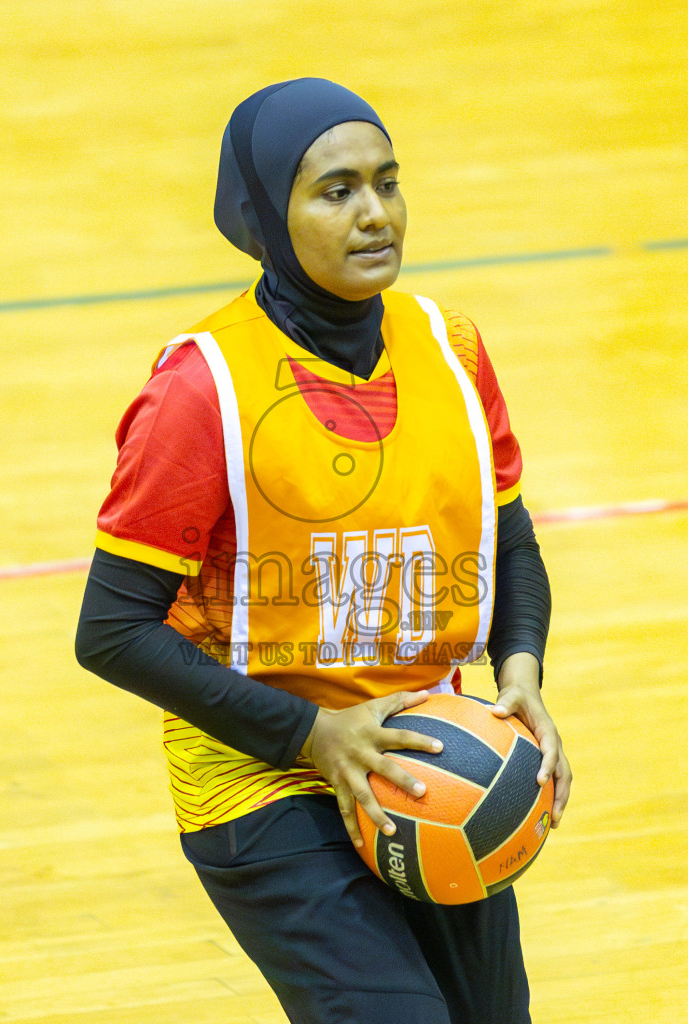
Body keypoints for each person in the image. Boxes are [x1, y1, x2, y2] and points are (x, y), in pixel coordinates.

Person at [76, 78, 571, 1023]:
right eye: (336, 191)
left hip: (425, 759)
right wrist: (313, 735)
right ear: (268, 215)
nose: (376, 213)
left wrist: (520, 669)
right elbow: (110, 632)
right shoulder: (201, 389)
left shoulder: (451, 346)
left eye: (388, 182)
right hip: (263, 776)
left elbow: (511, 539)